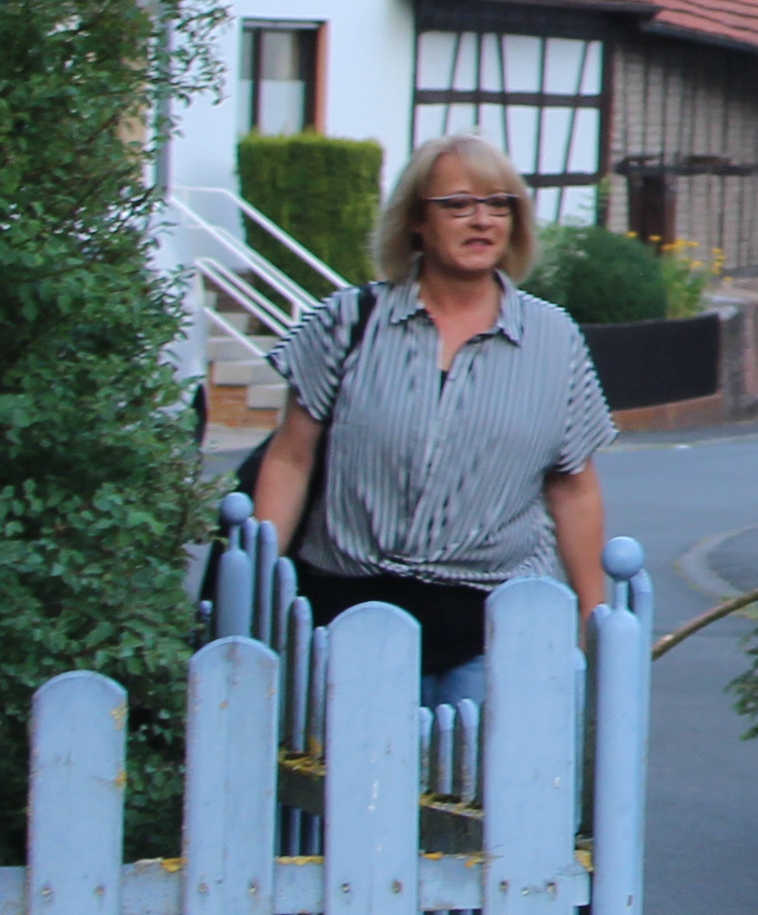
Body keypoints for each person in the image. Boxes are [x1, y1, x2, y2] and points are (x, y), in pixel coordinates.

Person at [252, 134, 615, 703]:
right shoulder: (347, 321)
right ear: (416, 221)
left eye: (499, 205)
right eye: (458, 205)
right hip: (353, 619)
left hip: (495, 627)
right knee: (362, 789)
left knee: (475, 789)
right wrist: (258, 584)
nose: (482, 221)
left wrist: (595, 620)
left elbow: (573, 486)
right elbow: (291, 458)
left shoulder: (554, 336)